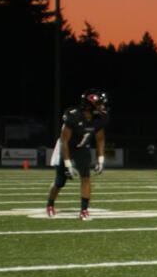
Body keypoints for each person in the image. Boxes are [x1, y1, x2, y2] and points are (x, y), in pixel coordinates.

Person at [47, 90, 110, 220]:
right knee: (60, 182)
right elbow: (64, 142)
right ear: (90, 105)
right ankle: (50, 205)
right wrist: (67, 164)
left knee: (86, 177)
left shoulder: (99, 119)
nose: (102, 107)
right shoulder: (74, 116)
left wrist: (101, 159)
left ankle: (84, 210)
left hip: (82, 148)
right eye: (99, 104)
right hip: (66, 148)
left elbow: (100, 139)